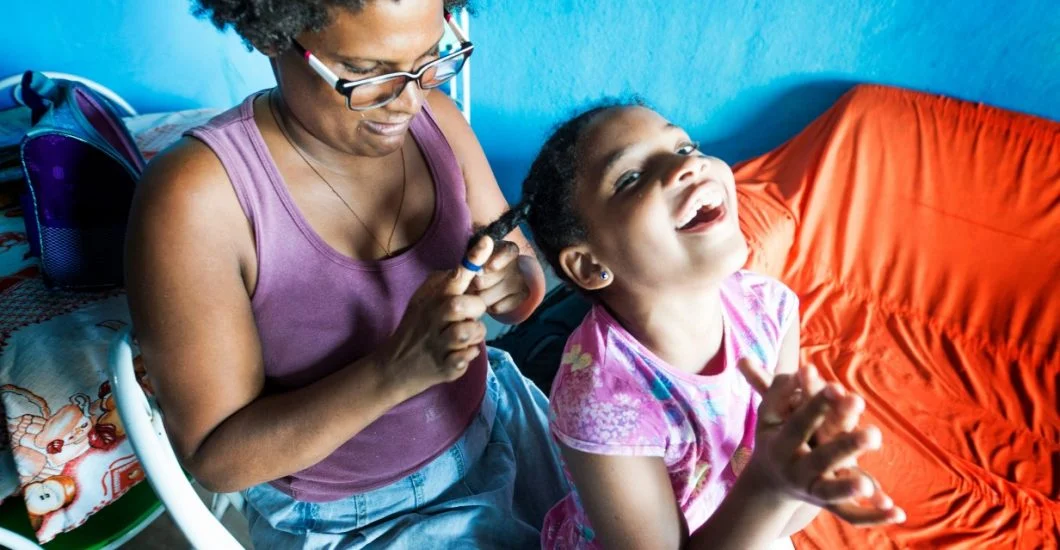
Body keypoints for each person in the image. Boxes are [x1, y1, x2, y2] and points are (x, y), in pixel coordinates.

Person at [124, 1, 567, 547]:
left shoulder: (439, 121)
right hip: (353, 520)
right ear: (273, 39)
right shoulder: (200, 200)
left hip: (494, 424)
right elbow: (218, 457)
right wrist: (392, 373)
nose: (408, 102)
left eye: (429, 59)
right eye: (366, 73)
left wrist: (515, 283)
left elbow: (520, 273)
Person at [476, 102, 906, 549]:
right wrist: (771, 486)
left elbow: (783, 508)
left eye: (685, 146)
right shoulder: (603, 398)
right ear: (589, 264)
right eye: (631, 178)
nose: (688, 166)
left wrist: (811, 472)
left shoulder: (771, 311)